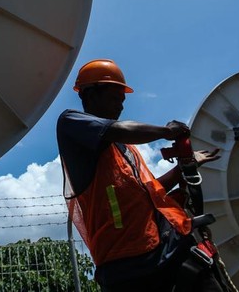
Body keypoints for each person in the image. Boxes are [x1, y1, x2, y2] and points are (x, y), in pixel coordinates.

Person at [57, 59, 226, 292]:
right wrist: (166, 132)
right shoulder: (70, 123)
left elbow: (150, 193)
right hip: (126, 263)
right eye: (114, 98)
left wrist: (184, 168)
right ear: (89, 95)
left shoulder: (126, 149)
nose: (120, 107)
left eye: (123, 101)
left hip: (163, 249)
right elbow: (118, 129)